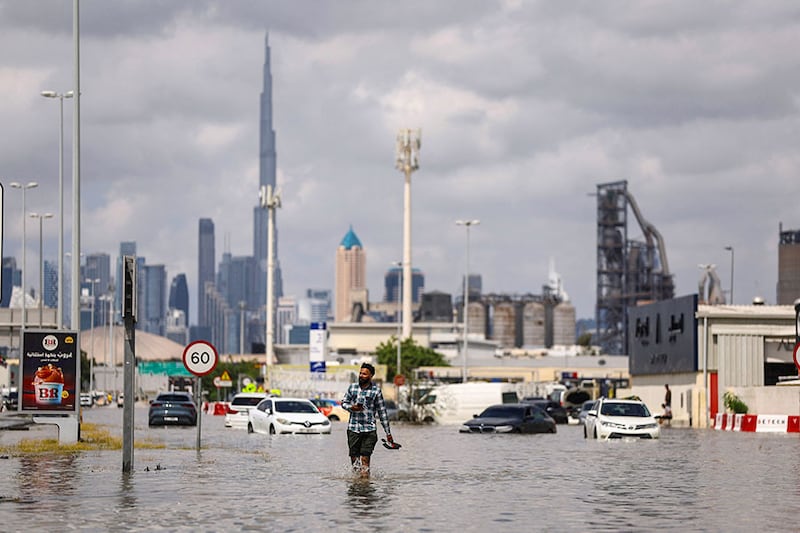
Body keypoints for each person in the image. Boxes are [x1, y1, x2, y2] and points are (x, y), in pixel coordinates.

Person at [341, 363, 394, 477]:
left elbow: (382, 412)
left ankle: (365, 488)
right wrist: (352, 407)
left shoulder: (376, 391)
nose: (361, 375)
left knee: (365, 459)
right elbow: (344, 403)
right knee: (354, 461)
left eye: (364, 374)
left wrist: (388, 433)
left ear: (371, 376)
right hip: (353, 429)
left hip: (369, 430)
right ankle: (356, 487)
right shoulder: (352, 387)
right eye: (360, 373)